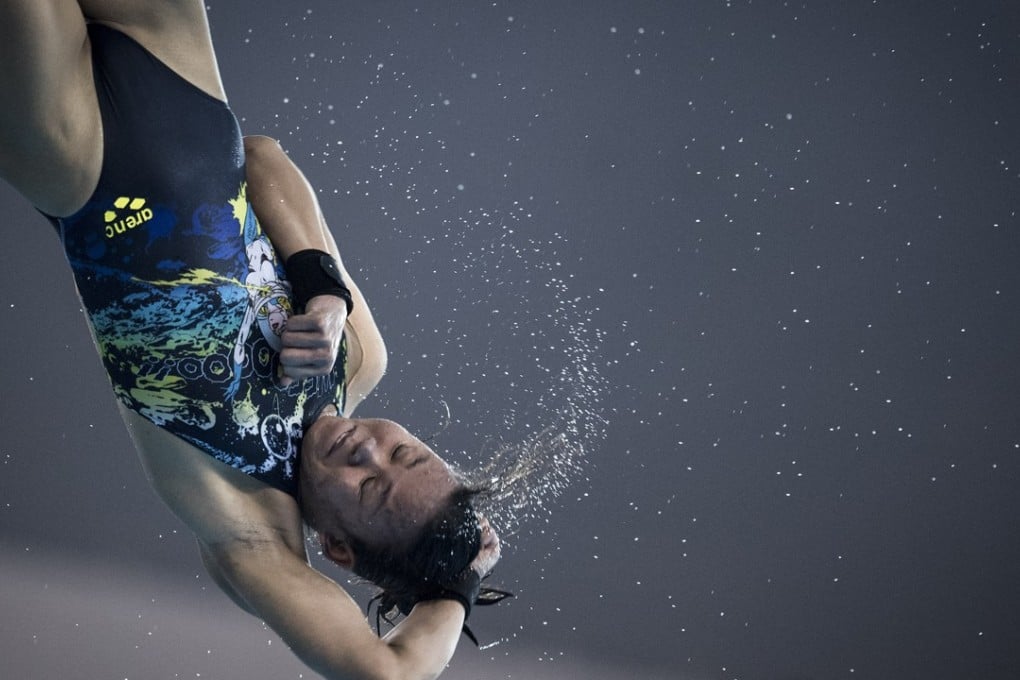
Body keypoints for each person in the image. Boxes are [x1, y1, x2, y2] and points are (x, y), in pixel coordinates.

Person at [0, 3, 503, 679]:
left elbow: (387, 674)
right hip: (180, 69)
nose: (370, 453)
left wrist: (457, 589)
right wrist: (324, 292)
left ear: (339, 550)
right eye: (404, 453)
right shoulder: (357, 355)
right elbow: (263, 160)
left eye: (371, 491)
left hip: (76, 161)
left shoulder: (247, 526)